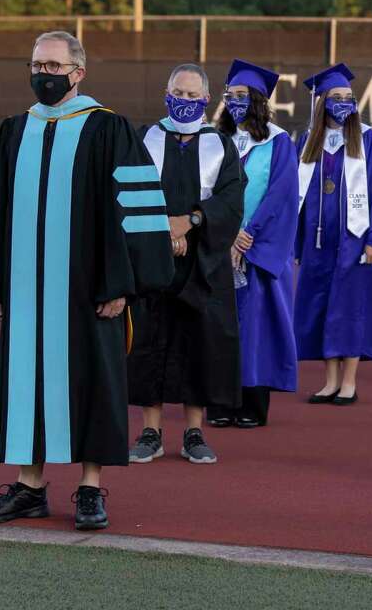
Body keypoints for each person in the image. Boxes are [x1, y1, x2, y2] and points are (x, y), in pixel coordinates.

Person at [0, 31, 174, 530]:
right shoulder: (14, 130)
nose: (45, 75)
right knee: (26, 384)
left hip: (90, 289)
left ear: (78, 73)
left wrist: (122, 284)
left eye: (55, 66)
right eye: (38, 65)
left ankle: (90, 489)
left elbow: (137, 210)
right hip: (26, 289)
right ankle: (29, 487)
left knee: (94, 382)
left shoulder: (109, 129)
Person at [127, 65, 245, 467]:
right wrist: (163, 231)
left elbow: (231, 201)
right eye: (178, 91)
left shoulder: (221, 145)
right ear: (165, 92)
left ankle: (194, 432)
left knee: (201, 342)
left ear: (206, 100)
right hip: (152, 256)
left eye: (192, 94)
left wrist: (190, 222)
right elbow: (129, 190)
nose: (184, 100)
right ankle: (151, 431)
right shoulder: (145, 138)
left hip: (203, 262)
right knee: (149, 340)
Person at [295, 64, 372, 405]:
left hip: (356, 241)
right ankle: (329, 381)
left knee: (350, 309)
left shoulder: (366, 138)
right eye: (334, 98)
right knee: (323, 307)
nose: (341, 104)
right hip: (318, 242)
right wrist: (297, 243)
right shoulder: (309, 140)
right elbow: (296, 195)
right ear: (321, 101)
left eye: (347, 98)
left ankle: (349, 382)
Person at [209, 59, 299, 429]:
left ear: (259, 100)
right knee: (218, 326)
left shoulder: (278, 142)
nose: (235, 102)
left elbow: (282, 195)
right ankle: (217, 402)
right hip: (218, 247)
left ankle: (251, 405)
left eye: (243, 96)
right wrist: (223, 235)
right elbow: (206, 189)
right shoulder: (216, 140)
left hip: (257, 251)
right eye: (231, 96)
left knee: (256, 328)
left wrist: (247, 237)